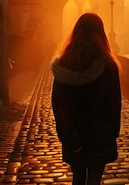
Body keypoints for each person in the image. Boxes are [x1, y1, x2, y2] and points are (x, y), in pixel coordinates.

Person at [51, 13, 121, 185]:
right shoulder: (108, 65)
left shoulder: (64, 64)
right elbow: (114, 104)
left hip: (74, 137)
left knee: (78, 178)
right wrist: (111, 132)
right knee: (94, 180)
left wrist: (71, 138)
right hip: (100, 136)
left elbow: (60, 108)